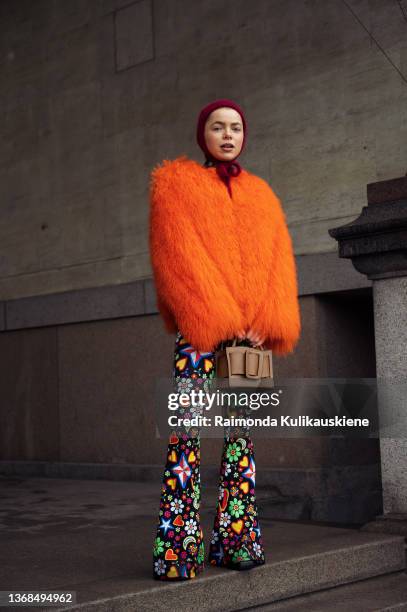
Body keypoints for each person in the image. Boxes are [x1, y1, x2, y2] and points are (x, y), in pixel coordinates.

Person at [149, 99, 301, 580]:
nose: (228, 134)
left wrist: (265, 319)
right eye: (218, 126)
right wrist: (218, 317)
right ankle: (177, 552)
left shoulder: (262, 195)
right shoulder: (176, 186)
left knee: (241, 440)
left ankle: (237, 543)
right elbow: (176, 258)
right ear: (204, 135)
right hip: (200, 333)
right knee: (186, 441)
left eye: (236, 127)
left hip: (248, 340)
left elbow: (278, 262)